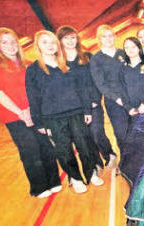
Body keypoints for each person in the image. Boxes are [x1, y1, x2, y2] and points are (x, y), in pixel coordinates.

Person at [0, 27, 61, 198]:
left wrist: (36, 111)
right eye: (4, 42)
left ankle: (54, 181)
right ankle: (39, 187)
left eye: (12, 41)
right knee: (31, 151)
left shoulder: (28, 64)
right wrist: (21, 113)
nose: (10, 45)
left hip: (36, 114)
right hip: (14, 117)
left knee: (47, 148)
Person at [25, 30, 102, 194]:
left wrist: (87, 110)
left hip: (76, 113)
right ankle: (75, 178)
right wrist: (38, 122)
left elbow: (81, 90)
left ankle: (91, 173)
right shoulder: (33, 70)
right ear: (37, 46)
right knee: (64, 151)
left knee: (85, 146)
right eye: (44, 42)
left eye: (52, 42)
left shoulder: (66, 64)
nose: (50, 45)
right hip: (52, 118)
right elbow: (33, 98)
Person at [56, 25, 116, 171]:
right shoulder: (59, 62)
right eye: (66, 38)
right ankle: (96, 162)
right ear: (60, 41)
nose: (70, 41)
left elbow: (96, 81)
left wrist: (95, 100)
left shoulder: (88, 57)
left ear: (77, 39)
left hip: (93, 104)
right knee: (85, 137)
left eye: (73, 37)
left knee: (96, 133)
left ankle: (109, 154)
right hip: (75, 108)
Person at [89, 24, 128, 155]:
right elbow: (100, 84)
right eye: (104, 36)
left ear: (115, 37)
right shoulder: (96, 59)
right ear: (99, 39)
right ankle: (125, 163)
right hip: (114, 102)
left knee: (135, 131)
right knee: (121, 133)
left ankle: (140, 162)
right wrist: (117, 98)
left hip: (131, 98)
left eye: (110, 35)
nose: (108, 39)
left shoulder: (123, 53)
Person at [120, 37, 144, 130]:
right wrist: (128, 108)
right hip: (132, 111)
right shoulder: (123, 68)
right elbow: (122, 89)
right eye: (127, 47)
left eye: (133, 47)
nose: (130, 50)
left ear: (139, 48)